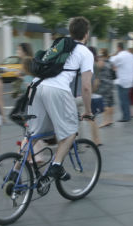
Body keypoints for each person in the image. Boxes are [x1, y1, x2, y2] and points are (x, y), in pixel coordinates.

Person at [25, 16, 94, 181]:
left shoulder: (61, 46)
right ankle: (56, 166)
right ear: (86, 34)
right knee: (71, 131)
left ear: (70, 32)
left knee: (34, 134)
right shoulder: (85, 52)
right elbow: (86, 86)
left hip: (36, 86)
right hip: (57, 89)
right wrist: (88, 111)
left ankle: (15, 170)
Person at [109, 42, 133, 122]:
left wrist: (114, 54)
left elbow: (111, 61)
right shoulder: (131, 55)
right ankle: (128, 115)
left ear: (118, 48)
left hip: (122, 81)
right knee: (127, 98)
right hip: (130, 80)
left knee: (123, 99)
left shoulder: (120, 56)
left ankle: (126, 117)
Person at [96, 48, 115, 128]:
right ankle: (110, 120)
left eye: (100, 54)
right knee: (110, 103)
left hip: (103, 85)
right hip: (110, 84)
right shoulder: (110, 62)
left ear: (102, 55)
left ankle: (105, 121)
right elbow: (114, 73)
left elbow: (96, 71)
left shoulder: (101, 62)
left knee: (104, 103)